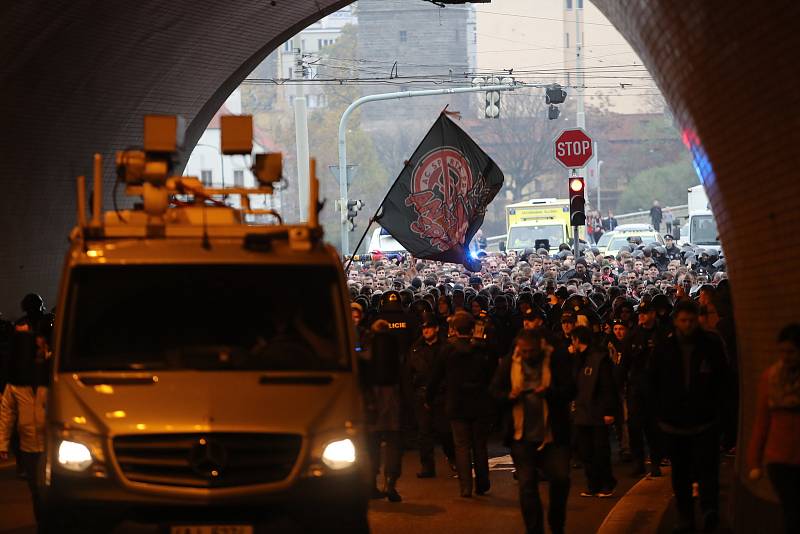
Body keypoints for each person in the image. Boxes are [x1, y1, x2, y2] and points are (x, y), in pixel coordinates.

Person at [649, 299, 728, 533]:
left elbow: (723, 381)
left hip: (704, 421)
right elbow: (653, 381)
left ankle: (709, 510)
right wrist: (659, 413)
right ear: (676, 321)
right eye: (683, 320)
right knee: (681, 475)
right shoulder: (664, 348)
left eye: (692, 320)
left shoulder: (711, 346)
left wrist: (719, 412)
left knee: (707, 472)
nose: (688, 325)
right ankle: (685, 516)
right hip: (674, 423)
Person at [491, 330, 576, 534]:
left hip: (552, 433)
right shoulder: (511, 363)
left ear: (540, 348)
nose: (527, 355)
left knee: (560, 479)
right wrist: (509, 396)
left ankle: (556, 524)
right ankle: (534, 529)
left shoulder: (554, 360)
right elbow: (494, 391)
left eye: (531, 351)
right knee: (527, 486)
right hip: (522, 435)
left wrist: (549, 393)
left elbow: (571, 389)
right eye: (524, 351)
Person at [427, 312, 493, 498]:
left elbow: (436, 376)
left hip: (456, 403)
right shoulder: (481, 349)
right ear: (472, 329)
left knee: (462, 446)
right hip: (479, 402)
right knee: (480, 445)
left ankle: (465, 487)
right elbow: (491, 373)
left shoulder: (448, 350)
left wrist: (428, 398)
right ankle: (482, 483)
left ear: (454, 329)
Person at [747, 323, 800, 534]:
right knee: (792, 512)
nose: (786, 357)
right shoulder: (771, 378)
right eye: (783, 351)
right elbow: (762, 421)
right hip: (779, 459)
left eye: (792, 352)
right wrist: (754, 460)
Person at [0, 325, 51, 525]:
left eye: (43, 348)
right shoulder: (15, 383)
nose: (42, 352)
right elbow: (7, 413)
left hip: (52, 444)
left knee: (54, 491)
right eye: (37, 349)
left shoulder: (52, 375)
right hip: (28, 447)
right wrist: (2, 443)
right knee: (37, 493)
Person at [361, 320, 405, 502]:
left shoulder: (368, 345)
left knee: (372, 442)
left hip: (372, 396)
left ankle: (371, 483)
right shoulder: (395, 345)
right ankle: (390, 483)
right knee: (393, 441)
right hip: (392, 395)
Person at [572, 326, 618, 497]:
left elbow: (607, 386)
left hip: (597, 411)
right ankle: (593, 484)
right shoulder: (578, 359)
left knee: (600, 450)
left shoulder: (598, 359)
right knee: (586, 451)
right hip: (582, 410)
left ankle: (607, 483)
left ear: (577, 340)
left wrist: (609, 411)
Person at [621, 300, 665, 477]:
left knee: (654, 428)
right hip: (637, 387)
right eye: (640, 313)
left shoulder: (662, 334)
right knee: (635, 427)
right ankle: (638, 462)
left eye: (645, 313)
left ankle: (655, 461)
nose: (642, 316)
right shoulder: (633, 336)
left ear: (653, 314)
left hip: (656, 388)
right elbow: (625, 363)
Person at [408, 316, 454, 478]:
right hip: (421, 393)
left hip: (440, 395)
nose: (426, 330)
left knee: (445, 431)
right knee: (424, 432)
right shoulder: (416, 348)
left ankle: (453, 456)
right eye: (423, 328)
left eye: (429, 327)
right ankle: (427, 466)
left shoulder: (445, 347)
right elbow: (410, 371)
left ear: (436, 329)